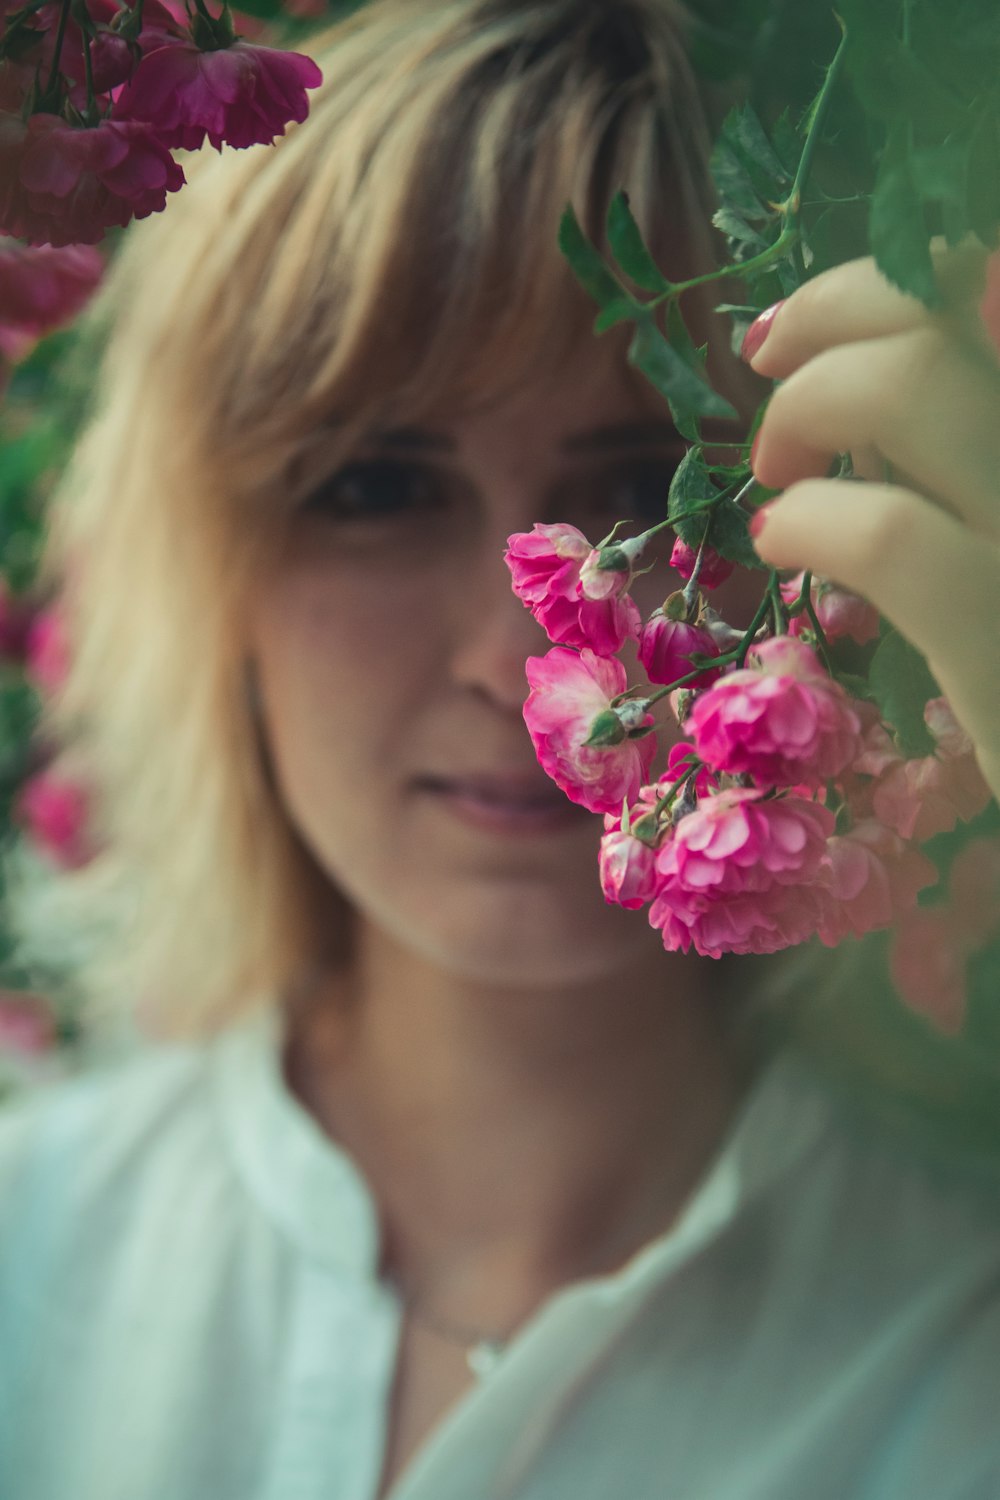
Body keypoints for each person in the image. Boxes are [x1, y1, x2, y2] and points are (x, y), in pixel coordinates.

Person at [2, 1, 1000, 1497]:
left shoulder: (958, 1323)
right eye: (376, 487)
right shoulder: (33, 1260)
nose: (513, 662)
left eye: (655, 478)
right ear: (214, 574)